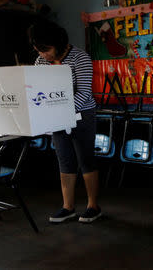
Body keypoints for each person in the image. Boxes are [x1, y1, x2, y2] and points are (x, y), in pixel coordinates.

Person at [28, 20, 101, 223]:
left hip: (82, 114)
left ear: (58, 43)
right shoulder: (40, 62)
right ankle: (68, 207)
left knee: (86, 159)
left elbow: (85, 93)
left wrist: (62, 111)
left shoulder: (80, 58)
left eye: (45, 49)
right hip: (56, 117)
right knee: (64, 160)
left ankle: (93, 206)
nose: (43, 54)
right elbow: (38, 91)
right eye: (38, 50)